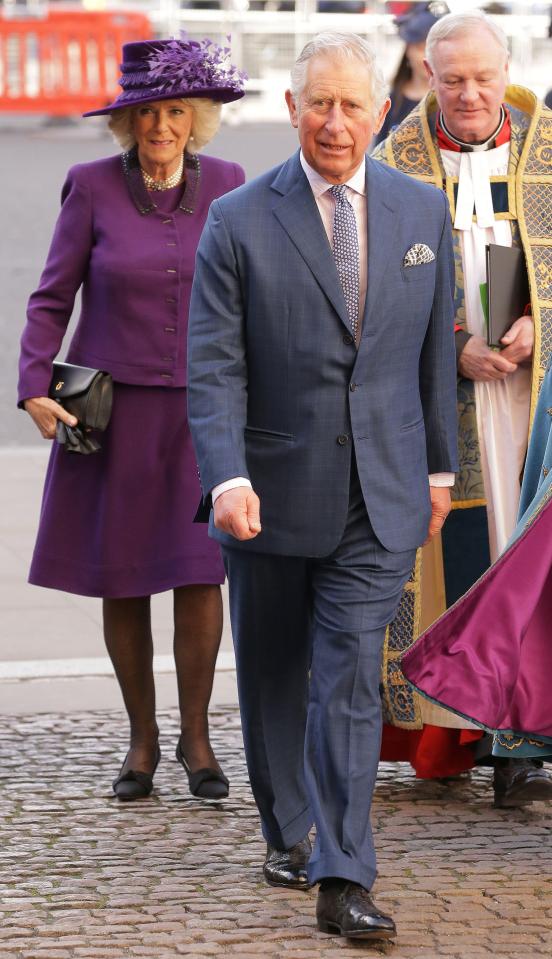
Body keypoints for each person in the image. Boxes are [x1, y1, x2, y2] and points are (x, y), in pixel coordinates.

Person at [187, 30, 457, 941]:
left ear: (383, 111)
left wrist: (438, 467)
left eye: (353, 105)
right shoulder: (238, 219)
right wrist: (225, 474)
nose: (335, 123)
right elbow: (213, 366)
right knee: (272, 675)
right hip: (264, 495)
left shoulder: (422, 214)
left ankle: (342, 873)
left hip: (377, 495)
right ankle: (286, 826)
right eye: (319, 105)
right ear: (292, 109)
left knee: (345, 680)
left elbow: (429, 359)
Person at [17, 36, 245, 802]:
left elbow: (252, 297)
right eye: (147, 113)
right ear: (128, 121)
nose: (161, 127)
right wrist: (31, 384)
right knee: (124, 576)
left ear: (197, 118)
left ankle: (198, 738)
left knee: (197, 569)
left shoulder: (230, 183)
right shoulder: (89, 186)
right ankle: (141, 741)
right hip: (105, 411)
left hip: (203, 410)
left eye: (176, 111)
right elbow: (52, 296)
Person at [372, 8, 552, 805]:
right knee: (468, 546)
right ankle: (464, 726)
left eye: (483, 78)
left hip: (537, 394)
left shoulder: (546, 150)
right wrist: (453, 349)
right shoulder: (395, 163)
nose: (470, 94)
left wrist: (535, 318)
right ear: (427, 77)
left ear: (507, 69)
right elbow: (368, 290)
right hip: (443, 401)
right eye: (453, 81)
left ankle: (528, 733)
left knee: (531, 557)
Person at [402, 355, 552, 803]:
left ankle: (518, 751)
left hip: (530, 373)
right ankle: (513, 746)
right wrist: (456, 341)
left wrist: (534, 322)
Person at [373, 0, 448, 148]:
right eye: (421, 48)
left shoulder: (452, 100)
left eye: (433, 48)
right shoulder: (390, 102)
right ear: (408, 49)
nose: (428, 56)